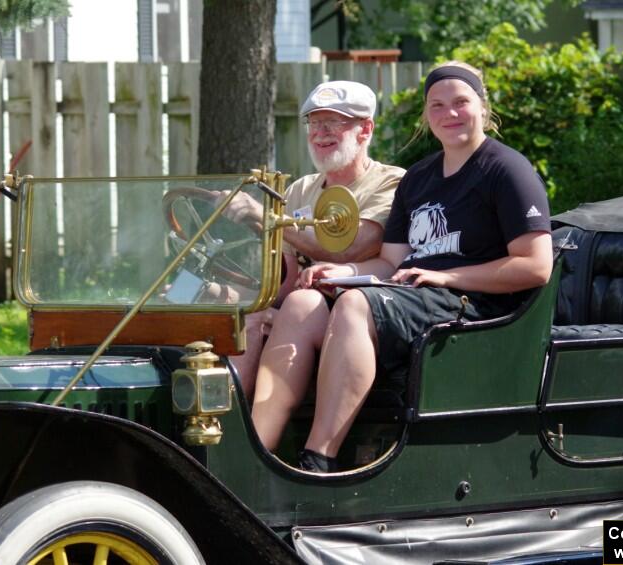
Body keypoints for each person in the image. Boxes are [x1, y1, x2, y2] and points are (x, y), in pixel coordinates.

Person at [250, 61, 553, 473]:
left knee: (356, 305)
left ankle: (318, 459)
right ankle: (256, 455)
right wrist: (345, 272)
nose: (450, 114)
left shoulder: (506, 169)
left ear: (482, 107)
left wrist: (447, 276)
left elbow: (536, 266)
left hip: (477, 302)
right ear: (427, 116)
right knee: (303, 304)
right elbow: (390, 262)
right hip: (415, 294)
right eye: (437, 105)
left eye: (461, 102)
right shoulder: (420, 178)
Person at [219, 81, 404, 401]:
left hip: (358, 317)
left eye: (334, 123)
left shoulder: (391, 182)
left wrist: (265, 219)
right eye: (315, 123)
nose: (320, 133)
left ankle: (231, 431)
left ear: (365, 129)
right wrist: (231, 293)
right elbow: (287, 278)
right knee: (213, 305)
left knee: (254, 318)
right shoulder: (301, 189)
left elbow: (352, 248)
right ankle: (191, 424)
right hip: (300, 307)